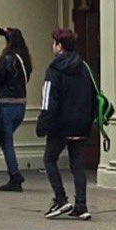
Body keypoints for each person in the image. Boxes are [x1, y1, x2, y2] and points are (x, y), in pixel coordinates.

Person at [36, 28, 97, 220]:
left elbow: (48, 100)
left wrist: (43, 123)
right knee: (77, 164)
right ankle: (81, 205)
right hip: (81, 124)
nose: (52, 47)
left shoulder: (54, 70)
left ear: (59, 46)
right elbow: (94, 95)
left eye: (54, 43)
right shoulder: (84, 67)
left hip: (60, 124)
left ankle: (61, 199)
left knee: (49, 159)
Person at [0, 27, 33, 192]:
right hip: (20, 105)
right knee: (5, 139)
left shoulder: (7, 59)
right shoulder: (24, 60)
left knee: (6, 140)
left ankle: (15, 175)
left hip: (6, 105)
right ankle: (14, 173)